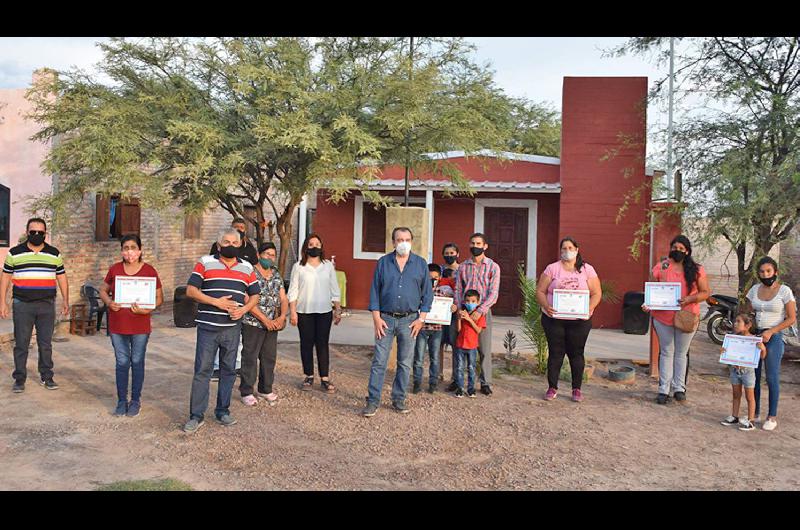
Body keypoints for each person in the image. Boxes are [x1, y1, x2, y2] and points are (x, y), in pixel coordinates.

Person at [183, 229, 260, 434]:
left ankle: (222, 410)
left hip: (232, 329)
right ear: (219, 245)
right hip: (208, 327)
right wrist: (215, 302)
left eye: (234, 242)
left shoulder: (247, 267)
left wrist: (244, 309)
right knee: (203, 371)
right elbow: (191, 290)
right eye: (226, 241)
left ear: (240, 245)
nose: (230, 245)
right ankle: (196, 415)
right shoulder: (205, 262)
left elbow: (254, 295)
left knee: (228, 371)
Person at [362, 227, 433, 417]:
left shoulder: (420, 264)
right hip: (385, 319)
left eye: (407, 239)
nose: (403, 242)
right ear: (393, 242)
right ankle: (373, 401)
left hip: (409, 321)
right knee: (379, 361)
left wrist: (421, 319)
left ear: (412, 241)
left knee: (405, 362)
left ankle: (398, 399)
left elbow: (427, 295)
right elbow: (374, 292)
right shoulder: (383, 263)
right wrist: (376, 318)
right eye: (399, 239)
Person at [2, 218, 70, 393]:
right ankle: (19, 379)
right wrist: (2, 302)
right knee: (21, 343)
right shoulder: (15, 253)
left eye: (41, 232)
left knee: (45, 343)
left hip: (46, 305)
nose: (37, 235)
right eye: (33, 232)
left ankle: (47, 376)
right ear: (27, 232)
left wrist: (66, 300)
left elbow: (61, 277)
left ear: (45, 234)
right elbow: (6, 278)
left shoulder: (54, 254)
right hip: (22, 304)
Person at [99, 235, 164, 416]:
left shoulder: (150, 271)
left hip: (140, 325)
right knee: (121, 362)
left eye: (133, 248)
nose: (130, 252)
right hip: (118, 324)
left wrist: (146, 310)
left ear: (140, 250)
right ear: (121, 251)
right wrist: (109, 302)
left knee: (136, 361)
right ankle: (121, 401)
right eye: (126, 248)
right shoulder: (115, 269)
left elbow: (159, 298)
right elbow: (102, 289)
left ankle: (135, 400)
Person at [643, 235, 710, 405]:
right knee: (666, 351)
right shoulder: (662, 266)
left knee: (681, 353)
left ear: (687, 251)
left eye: (681, 249)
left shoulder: (696, 269)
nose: (678, 251)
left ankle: (679, 388)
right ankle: (663, 389)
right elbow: (652, 289)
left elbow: (705, 292)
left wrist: (689, 299)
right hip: (662, 317)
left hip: (686, 317)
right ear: (670, 248)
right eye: (675, 247)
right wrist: (648, 303)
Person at [535, 237, 602, 402]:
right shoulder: (552, 269)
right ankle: (552, 387)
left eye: (570, 248)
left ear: (577, 249)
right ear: (560, 251)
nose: (567, 251)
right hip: (554, 319)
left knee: (576, 354)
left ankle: (576, 389)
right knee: (556, 353)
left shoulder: (587, 270)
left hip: (580, 320)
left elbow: (597, 293)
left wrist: (588, 309)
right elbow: (540, 291)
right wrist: (546, 306)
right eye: (564, 248)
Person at [742, 256, 797, 431]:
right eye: (762, 271)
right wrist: (747, 330)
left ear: (775, 272)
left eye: (768, 271)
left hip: (773, 337)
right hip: (756, 337)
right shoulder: (754, 290)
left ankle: (772, 416)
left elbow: (791, 318)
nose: (765, 274)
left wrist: (771, 331)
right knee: (754, 376)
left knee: (772, 377)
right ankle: (755, 413)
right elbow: (749, 313)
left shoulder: (785, 291)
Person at [288, 233, 342, 393]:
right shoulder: (298, 267)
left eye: (317, 244)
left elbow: (335, 289)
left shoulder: (327, 266)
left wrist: (337, 310)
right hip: (304, 312)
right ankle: (308, 376)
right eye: (311, 244)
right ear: (306, 247)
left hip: (324, 311)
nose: (314, 247)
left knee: (322, 344)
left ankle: (324, 378)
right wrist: (292, 312)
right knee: (306, 344)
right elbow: (293, 290)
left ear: (321, 246)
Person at [450, 233, 500, 396]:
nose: (475, 246)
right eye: (472, 243)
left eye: (479, 243)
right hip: (464, 312)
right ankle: (458, 381)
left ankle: (485, 382)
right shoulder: (463, 267)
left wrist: (480, 311)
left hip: (483, 311)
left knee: (484, 348)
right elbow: (458, 289)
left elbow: (494, 293)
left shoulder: (493, 267)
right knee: (460, 345)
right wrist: (459, 308)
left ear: (485, 246)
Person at [240, 242, 288, 407]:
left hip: (273, 323)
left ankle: (265, 389)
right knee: (250, 357)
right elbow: (246, 299)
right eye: (267, 254)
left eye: (273, 255)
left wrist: (282, 316)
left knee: (269, 357)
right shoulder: (250, 272)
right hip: (253, 322)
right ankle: (246, 391)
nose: (270, 257)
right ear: (259, 255)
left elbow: (283, 297)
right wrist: (264, 319)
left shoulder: (275, 273)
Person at [209, 218, 257, 381]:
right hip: (220, 297)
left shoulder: (249, 249)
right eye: (236, 227)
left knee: (238, 336)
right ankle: (216, 367)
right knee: (217, 335)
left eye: (242, 228)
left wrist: (249, 295)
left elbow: (253, 271)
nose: (240, 229)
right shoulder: (217, 249)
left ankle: (235, 366)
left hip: (242, 296)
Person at [720, 313, 767, 432]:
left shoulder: (754, 340)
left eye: (738, 321)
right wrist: (723, 351)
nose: (735, 324)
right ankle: (734, 416)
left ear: (748, 325)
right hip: (735, 370)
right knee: (736, 394)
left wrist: (763, 349)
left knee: (750, 397)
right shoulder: (732, 338)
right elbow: (727, 354)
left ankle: (751, 420)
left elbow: (762, 356)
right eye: (735, 321)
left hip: (748, 372)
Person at [412, 264, 453, 394]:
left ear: (440, 278)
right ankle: (417, 383)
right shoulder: (418, 292)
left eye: (435, 278)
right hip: (422, 328)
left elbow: (450, 305)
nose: (433, 280)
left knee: (434, 357)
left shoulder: (443, 293)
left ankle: (433, 383)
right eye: (430, 278)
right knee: (418, 357)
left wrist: (452, 308)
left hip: (437, 329)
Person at [453, 289, 487, 398]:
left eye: (473, 301)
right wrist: (459, 319)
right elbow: (458, 329)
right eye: (467, 301)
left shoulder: (479, 315)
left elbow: (478, 330)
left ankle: (471, 389)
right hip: (460, 345)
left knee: (471, 368)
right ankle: (460, 388)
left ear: (478, 302)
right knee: (459, 368)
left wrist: (469, 319)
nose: (469, 303)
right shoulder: (463, 312)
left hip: (472, 346)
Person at [439, 243, 460, 378]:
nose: (449, 256)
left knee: (455, 343)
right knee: (438, 343)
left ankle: (455, 375)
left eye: (452, 253)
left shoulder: (462, 270)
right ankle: (438, 372)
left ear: (457, 254)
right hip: (439, 313)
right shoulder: (439, 270)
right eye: (446, 253)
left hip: (455, 313)